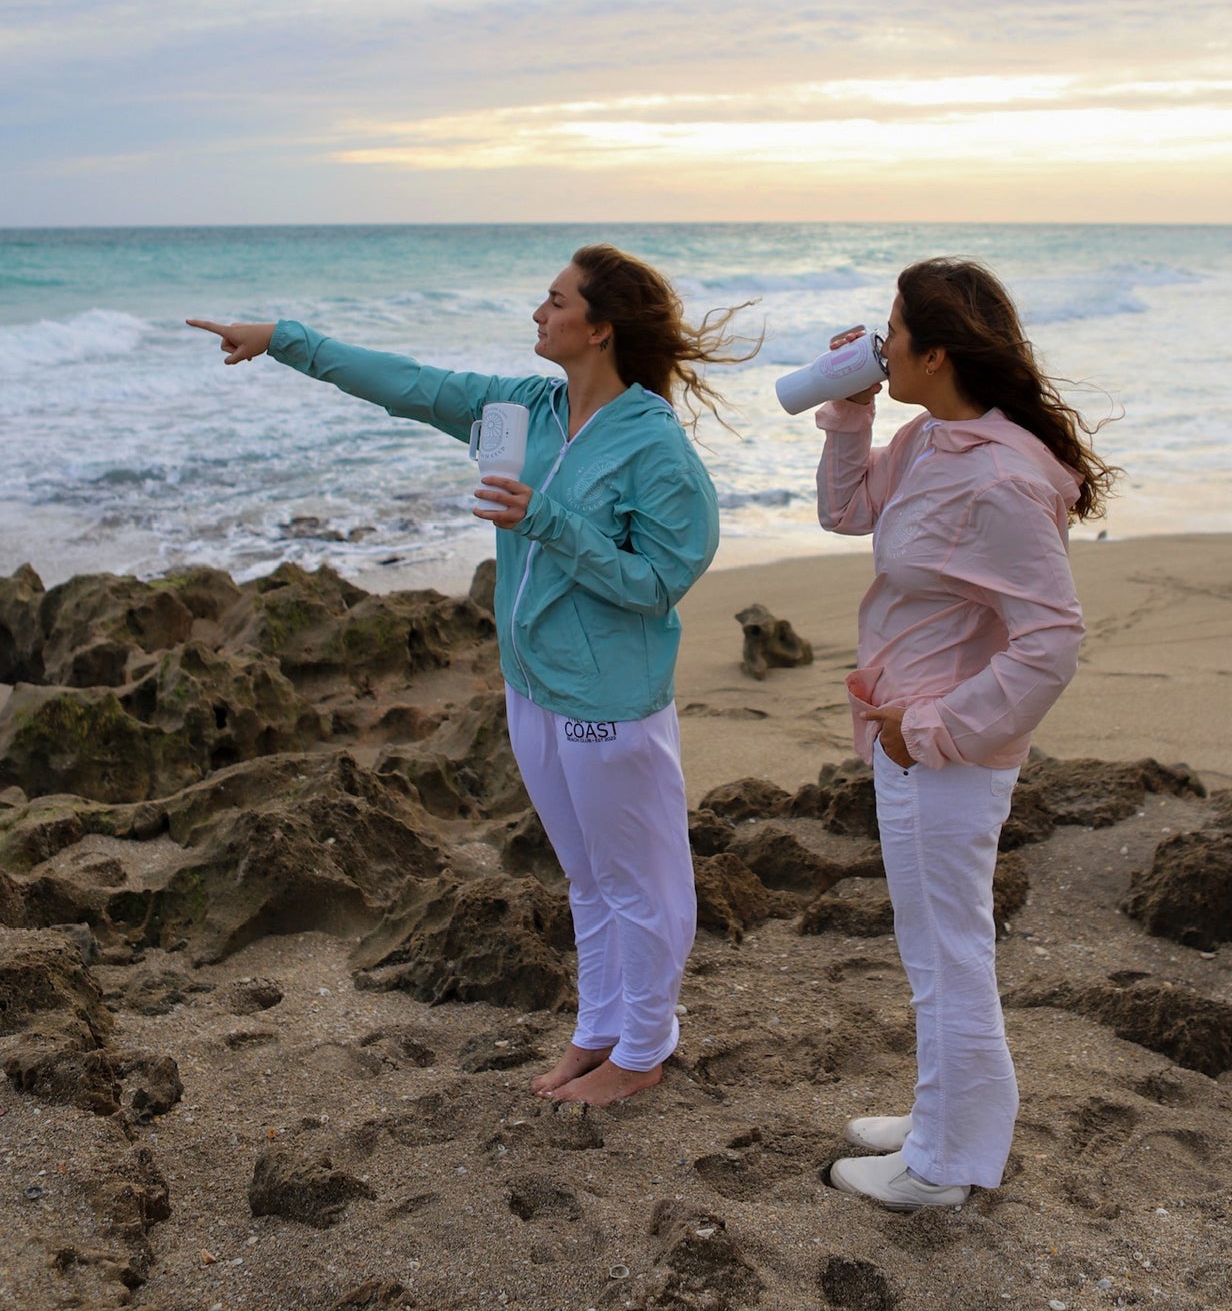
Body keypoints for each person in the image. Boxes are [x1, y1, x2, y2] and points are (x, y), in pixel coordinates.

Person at [189, 245, 748, 1107]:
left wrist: (550, 520)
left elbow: (658, 585)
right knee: (587, 878)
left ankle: (643, 1050)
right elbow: (409, 383)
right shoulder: (524, 409)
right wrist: (281, 339)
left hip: (610, 701)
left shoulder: (655, 450)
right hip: (532, 684)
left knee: (643, 881)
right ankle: (599, 1032)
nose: (537, 312)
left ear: (598, 329)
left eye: (554, 301)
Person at [816, 258, 1113, 1210]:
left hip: (944, 748)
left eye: (893, 329)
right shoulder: (933, 437)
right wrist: (852, 415)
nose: (879, 340)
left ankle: (946, 1167)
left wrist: (935, 728)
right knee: (933, 947)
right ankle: (941, 1118)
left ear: (936, 351)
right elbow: (845, 511)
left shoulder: (996, 474)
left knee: (950, 953)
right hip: (905, 730)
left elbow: (1051, 641)